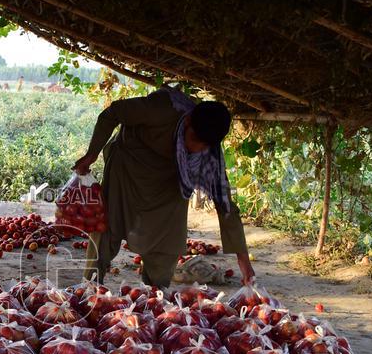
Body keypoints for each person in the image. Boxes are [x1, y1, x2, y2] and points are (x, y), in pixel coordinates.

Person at [72, 86, 255, 289]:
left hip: (170, 179)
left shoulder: (208, 151)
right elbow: (113, 112)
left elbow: (225, 204)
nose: (196, 149)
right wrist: (92, 153)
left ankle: (156, 292)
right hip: (128, 169)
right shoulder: (161, 109)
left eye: (203, 146)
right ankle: (90, 285)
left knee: (169, 238)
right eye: (194, 140)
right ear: (187, 121)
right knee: (108, 226)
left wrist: (244, 261)